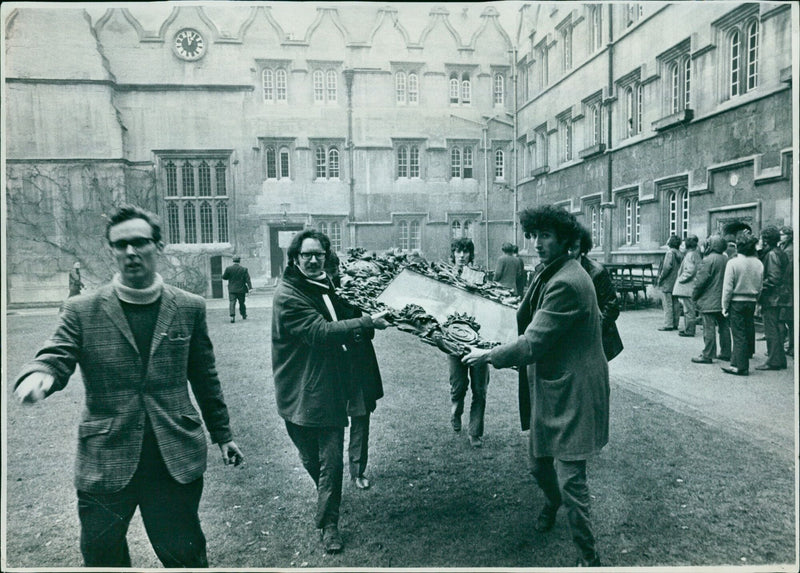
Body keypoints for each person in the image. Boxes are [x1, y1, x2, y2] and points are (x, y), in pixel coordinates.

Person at [13, 205, 244, 568]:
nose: (131, 252)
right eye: (121, 245)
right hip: (106, 457)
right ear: (112, 251)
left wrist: (223, 434)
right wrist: (40, 374)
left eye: (139, 243)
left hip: (173, 458)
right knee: (102, 557)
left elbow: (205, 376)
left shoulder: (189, 307)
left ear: (158, 246)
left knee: (184, 555)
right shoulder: (81, 310)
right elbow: (56, 354)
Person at [463, 205, 609, 568]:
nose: (538, 243)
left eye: (546, 236)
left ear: (566, 241)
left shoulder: (568, 282)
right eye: (535, 235)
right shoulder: (550, 270)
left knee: (571, 480)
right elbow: (521, 313)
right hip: (550, 385)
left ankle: (589, 558)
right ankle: (552, 502)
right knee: (537, 465)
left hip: (573, 390)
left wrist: (489, 355)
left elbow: (532, 342)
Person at [271, 229, 390, 553]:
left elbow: (344, 318)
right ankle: (329, 495)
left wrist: (372, 313)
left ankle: (329, 525)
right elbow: (320, 331)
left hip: (329, 390)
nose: (312, 260)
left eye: (318, 255)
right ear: (295, 259)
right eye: (305, 255)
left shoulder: (329, 285)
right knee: (312, 458)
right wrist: (365, 323)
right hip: (298, 391)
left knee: (331, 461)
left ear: (325, 257)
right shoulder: (289, 295)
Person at [325, 251, 384, 490]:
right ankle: (331, 473)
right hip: (332, 368)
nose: (331, 277)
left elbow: (369, 328)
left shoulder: (352, 291)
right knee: (332, 424)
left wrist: (356, 331)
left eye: (333, 271)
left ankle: (358, 471)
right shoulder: (314, 296)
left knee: (360, 418)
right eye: (327, 273)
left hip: (358, 365)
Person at [448, 237, 490, 448]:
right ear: (453, 254)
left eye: (465, 252)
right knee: (458, 386)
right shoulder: (444, 277)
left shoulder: (480, 276)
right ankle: (456, 412)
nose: (462, 255)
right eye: (458, 251)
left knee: (480, 389)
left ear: (471, 255)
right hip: (454, 340)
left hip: (478, 342)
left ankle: (475, 432)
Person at [573, 226, 624, 362]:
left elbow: (612, 307)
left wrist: (593, 330)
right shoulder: (556, 268)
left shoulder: (597, 272)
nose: (569, 252)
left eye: (574, 248)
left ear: (582, 248)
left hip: (591, 337)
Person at [721, 233, 763, 376]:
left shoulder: (733, 263)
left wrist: (724, 306)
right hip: (751, 301)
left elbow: (727, 288)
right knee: (746, 330)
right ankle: (738, 361)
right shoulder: (759, 263)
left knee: (738, 334)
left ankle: (740, 366)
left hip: (736, 302)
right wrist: (757, 300)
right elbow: (760, 286)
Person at [691, 235, 731, 364]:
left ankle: (708, 354)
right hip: (723, 299)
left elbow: (700, 281)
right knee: (724, 327)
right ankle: (726, 352)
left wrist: (694, 296)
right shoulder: (726, 259)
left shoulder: (708, 260)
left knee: (709, 328)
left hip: (709, 299)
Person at [756, 226, 789, 370]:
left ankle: (773, 361)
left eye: (762, 238)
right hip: (779, 296)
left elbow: (774, 278)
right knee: (777, 328)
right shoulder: (779, 252)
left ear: (766, 240)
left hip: (772, 298)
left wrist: (759, 286)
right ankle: (779, 359)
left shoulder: (772, 255)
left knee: (772, 329)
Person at [672, 235, 701, 337]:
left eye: (683, 245)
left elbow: (689, 271)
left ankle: (689, 330)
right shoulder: (696, 254)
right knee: (690, 309)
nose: (681, 247)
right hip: (693, 285)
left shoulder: (689, 255)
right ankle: (689, 329)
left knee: (688, 310)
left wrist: (680, 280)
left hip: (687, 287)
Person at [656, 235, 683, 331]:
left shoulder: (669, 253)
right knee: (675, 302)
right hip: (676, 281)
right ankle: (676, 323)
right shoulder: (680, 253)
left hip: (668, 281)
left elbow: (666, 267)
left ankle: (668, 324)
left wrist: (660, 278)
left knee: (667, 303)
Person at [222, 255, 252, 323]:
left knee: (232, 302)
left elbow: (224, 277)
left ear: (233, 261)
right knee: (242, 303)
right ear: (239, 261)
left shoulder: (228, 268)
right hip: (241, 289)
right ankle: (243, 315)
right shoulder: (244, 269)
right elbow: (248, 279)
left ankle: (232, 316)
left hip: (232, 289)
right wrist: (250, 288)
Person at [778, 226, 793, 356]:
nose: (780, 236)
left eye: (782, 234)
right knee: (788, 320)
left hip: (786, 290)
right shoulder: (786, 248)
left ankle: (782, 348)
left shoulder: (788, 251)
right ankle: (790, 347)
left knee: (783, 319)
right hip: (787, 290)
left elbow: (785, 272)